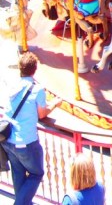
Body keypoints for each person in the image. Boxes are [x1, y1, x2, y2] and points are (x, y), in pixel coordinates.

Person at [0, 52, 62, 205]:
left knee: (18, 173)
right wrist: (55, 104)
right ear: (35, 70)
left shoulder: (12, 85)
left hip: (8, 140)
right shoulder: (37, 89)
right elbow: (42, 114)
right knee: (36, 173)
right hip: (25, 141)